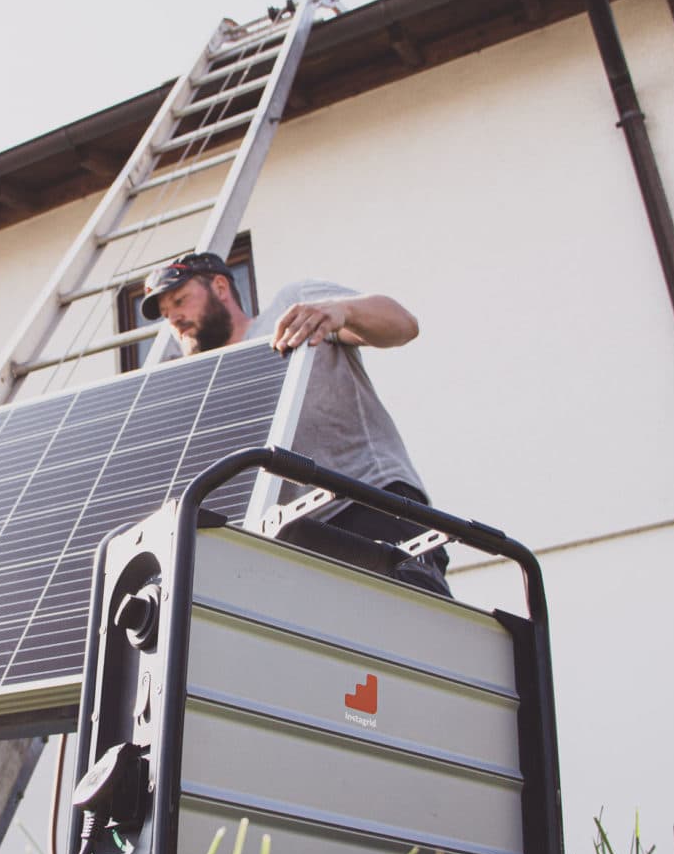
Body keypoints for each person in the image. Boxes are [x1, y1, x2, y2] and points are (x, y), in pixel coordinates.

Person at [139, 252, 451, 596]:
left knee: (408, 626)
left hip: (367, 503)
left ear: (220, 286)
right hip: (287, 543)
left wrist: (341, 311)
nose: (175, 319)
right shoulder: (199, 387)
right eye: (167, 315)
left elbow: (403, 324)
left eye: (180, 301)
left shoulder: (291, 309)